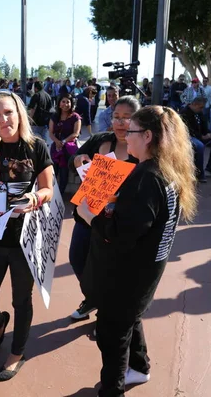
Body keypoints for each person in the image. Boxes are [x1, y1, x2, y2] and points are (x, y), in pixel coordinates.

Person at [77, 105, 197, 397]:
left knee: (112, 335)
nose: (124, 135)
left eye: (130, 130)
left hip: (126, 278)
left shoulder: (146, 178)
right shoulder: (165, 171)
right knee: (131, 319)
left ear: (147, 135)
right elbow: (144, 222)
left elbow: (120, 235)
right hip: (145, 273)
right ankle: (140, 368)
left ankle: (112, 389)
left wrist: (90, 215)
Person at [0, 89, 53, 381]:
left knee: (22, 299)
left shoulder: (37, 146)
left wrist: (36, 198)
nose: (3, 119)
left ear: (19, 113)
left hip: (25, 238)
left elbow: (48, 187)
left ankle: (16, 353)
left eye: (8, 112)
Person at [68, 96, 141, 321]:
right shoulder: (100, 139)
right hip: (87, 213)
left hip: (115, 223)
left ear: (137, 122)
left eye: (127, 118)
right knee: (77, 257)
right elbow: (74, 161)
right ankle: (92, 298)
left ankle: (108, 310)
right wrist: (77, 159)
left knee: (111, 269)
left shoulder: (141, 150)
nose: (121, 123)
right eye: (117, 117)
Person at [181, 97, 211, 182]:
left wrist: (210, 133)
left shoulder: (199, 112)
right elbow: (186, 130)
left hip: (198, 136)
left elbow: (204, 127)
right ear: (194, 104)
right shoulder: (184, 113)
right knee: (199, 146)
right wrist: (201, 137)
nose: (202, 109)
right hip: (187, 137)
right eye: (200, 107)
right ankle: (199, 174)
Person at [49, 93, 81, 194]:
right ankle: (50, 193)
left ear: (72, 104)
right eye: (63, 101)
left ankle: (60, 195)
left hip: (68, 147)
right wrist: (57, 141)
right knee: (53, 171)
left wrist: (63, 141)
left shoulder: (75, 117)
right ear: (59, 103)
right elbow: (50, 133)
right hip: (56, 147)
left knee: (64, 172)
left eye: (68, 102)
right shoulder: (55, 116)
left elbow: (75, 133)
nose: (65, 104)